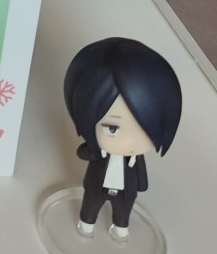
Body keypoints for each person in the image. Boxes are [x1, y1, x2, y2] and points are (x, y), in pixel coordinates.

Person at [63, 37, 182, 240]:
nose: (130, 141)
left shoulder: (135, 159)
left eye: (145, 130)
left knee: (123, 212)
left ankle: (121, 228)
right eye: (113, 128)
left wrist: (141, 185)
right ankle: (87, 224)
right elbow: (83, 153)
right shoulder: (98, 152)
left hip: (126, 192)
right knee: (90, 207)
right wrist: (92, 149)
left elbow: (140, 176)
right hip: (97, 187)